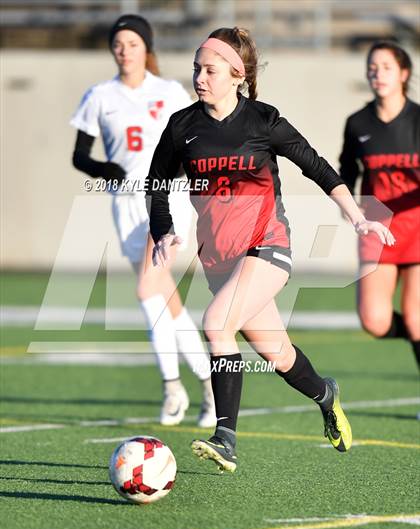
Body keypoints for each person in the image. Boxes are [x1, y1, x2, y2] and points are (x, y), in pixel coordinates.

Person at [147, 27, 395, 473]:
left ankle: (225, 438)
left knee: (216, 324)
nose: (200, 78)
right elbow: (157, 185)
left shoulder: (262, 120)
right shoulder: (182, 126)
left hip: (268, 247)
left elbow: (316, 165)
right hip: (219, 260)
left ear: (237, 74)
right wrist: (163, 228)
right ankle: (326, 394)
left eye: (210, 70)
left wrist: (356, 215)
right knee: (277, 354)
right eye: (196, 69)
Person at [70, 14, 216, 428]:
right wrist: (103, 170)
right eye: (118, 43)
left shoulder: (169, 91)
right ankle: (207, 386)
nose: (124, 50)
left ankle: (173, 388)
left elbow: (195, 138)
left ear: (145, 48)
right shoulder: (99, 95)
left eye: (133, 43)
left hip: (166, 199)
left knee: (146, 286)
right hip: (126, 205)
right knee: (163, 301)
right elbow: (80, 155)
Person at [339, 40, 419, 368]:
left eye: (386, 67)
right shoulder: (358, 123)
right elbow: (346, 168)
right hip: (377, 228)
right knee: (374, 320)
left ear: (403, 73)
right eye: (372, 68)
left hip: (417, 226)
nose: (378, 74)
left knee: (417, 319)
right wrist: (347, 202)